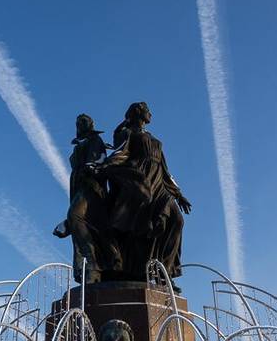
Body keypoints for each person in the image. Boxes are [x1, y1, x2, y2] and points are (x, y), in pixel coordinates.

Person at [98, 102, 191, 281]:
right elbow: (119, 153)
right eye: (148, 111)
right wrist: (104, 166)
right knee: (146, 226)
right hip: (141, 180)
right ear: (138, 113)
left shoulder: (152, 138)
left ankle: (165, 270)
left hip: (159, 184)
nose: (151, 114)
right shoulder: (128, 133)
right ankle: (143, 270)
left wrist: (179, 194)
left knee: (177, 221)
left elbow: (165, 169)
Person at [53, 114, 114, 283]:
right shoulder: (80, 143)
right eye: (78, 123)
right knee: (78, 222)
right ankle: (83, 268)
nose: (81, 125)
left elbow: (99, 161)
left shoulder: (95, 140)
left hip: (91, 186)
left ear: (91, 124)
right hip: (78, 185)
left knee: (75, 216)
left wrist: (92, 166)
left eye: (84, 122)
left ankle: (93, 265)